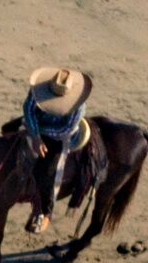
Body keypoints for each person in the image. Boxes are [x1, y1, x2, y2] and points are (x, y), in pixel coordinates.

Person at [21, 66, 94, 220]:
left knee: (47, 172)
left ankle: (45, 211)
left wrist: (37, 133)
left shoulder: (78, 107)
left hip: (59, 137)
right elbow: (28, 109)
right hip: (37, 129)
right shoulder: (38, 90)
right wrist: (35, 135)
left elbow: (64, 129)